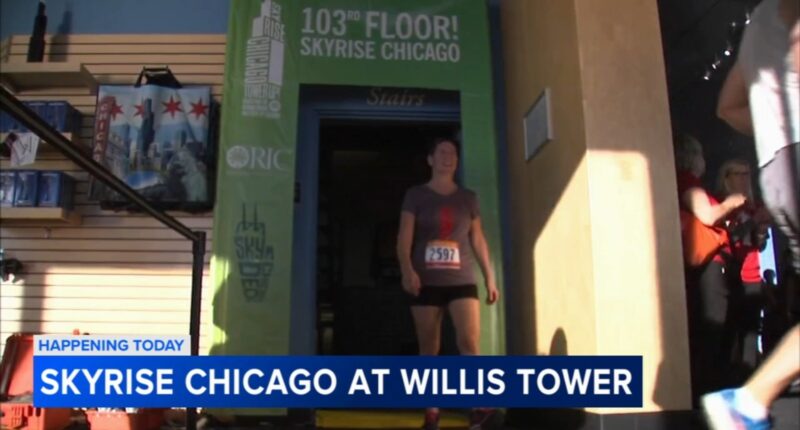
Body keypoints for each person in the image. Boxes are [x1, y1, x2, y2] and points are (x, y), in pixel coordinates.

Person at [704, 0, 799, 428]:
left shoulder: (757, 22)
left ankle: (748, 402)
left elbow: (727, 107)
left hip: (778, 168)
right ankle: (747, 401)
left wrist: (776, 127)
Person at [396, 137, 499, 430]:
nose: (448, 157)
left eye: (453, 153)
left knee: (469, 342)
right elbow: (404, 237)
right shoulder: (416, 195)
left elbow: (477, 238)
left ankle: (479, 408)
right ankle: (432, 411)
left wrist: (489, 275)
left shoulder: (468, 198)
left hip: (461, 279)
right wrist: (407, 270)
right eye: (442, 152)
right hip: (425, 281)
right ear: (430, 159)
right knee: (430, 348)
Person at [674, 135, 748, 406]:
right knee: (713, 330)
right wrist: (731, 203)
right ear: (694, 157)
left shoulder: (679, 181)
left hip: (704, 266)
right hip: (710, 267)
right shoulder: (689, 182)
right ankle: (708, 395)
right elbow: (707, 215)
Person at [716, 159, 770, 375]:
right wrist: (754, 221)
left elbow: (758, 245)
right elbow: (727, 239)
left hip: (752, 276)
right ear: (726, 178)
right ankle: (723, 378)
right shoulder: (722, 205)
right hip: (729, 276)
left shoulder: (752, 206)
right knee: (727, 333)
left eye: (747, 174)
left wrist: (761, 232)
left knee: (750, 334)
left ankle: (748, 378)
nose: (744, 179)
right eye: (738, 174)